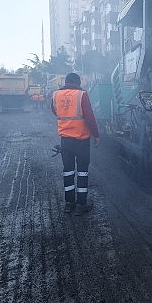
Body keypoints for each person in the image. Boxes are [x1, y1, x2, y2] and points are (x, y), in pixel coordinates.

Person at [51, 73, 100, 214]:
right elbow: (90, 117)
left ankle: (69, 204)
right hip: (82, 140)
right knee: (82, 172)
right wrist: (96, 135)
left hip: (65, 140)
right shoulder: (82, 95)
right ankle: (81, 205)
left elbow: (55, 112)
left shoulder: (56, 95)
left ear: (66, 82)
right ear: (78, 83)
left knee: (68, 171)